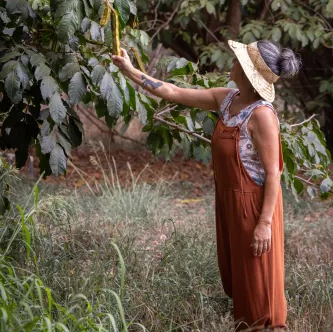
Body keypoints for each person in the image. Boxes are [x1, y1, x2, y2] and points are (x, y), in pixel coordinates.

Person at [112, 38, 302, 331]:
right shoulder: (226, 98)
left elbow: (274, 174)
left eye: (238, 61)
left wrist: (264, 223)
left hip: (253, 206)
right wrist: (129, 70)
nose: (232, 62)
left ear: (248, 73)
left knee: (258, 285)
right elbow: (173, 92)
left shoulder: (262, 116)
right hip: (228, 202)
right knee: (237, 279)